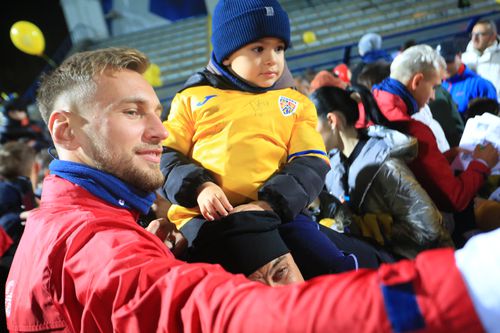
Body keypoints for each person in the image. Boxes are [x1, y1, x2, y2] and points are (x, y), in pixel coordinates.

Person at [6, 46, 499, 333]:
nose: (160, 132)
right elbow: (234, 315)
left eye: (157, 111)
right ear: (66, 132)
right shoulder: (94, 246)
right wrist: (464, 291)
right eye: (133, 112)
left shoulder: (80, 223)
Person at [161, 0, 358, 279]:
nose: (272, 59)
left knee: (333, 269)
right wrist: (200, 188)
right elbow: (165, 156)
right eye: (258, 49)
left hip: (277, 214)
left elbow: (311, 161)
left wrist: (270, 203)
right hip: (204, 221)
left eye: (279, 49)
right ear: (227, 55)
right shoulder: (192, 99)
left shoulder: (295, 102)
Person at [310, 85, 453, 258]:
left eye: (311, 127)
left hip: (426, 268)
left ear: (332, 120)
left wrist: (367, 229)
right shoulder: (335, 166)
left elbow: (429, 228)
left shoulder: (384, 163)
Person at [372, 45, 499, 214]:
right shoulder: (413, 131)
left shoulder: (372, 106)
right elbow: (454, 198)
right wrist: (482, 164)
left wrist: (443, 158)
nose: (432, 96)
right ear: (416, 81)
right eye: (433, 87)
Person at [438, 40, 497, 115]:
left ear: (459, 56)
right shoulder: (437, 87)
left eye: (448, 60)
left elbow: (494, 118)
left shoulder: (479, 85)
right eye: (440, 62)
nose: (444, 66)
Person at [461, 19, 500, 102]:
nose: (474, 39)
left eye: (480, 34)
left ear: (492, 36)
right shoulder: (464, 60)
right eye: (473, 34)